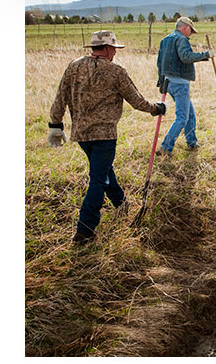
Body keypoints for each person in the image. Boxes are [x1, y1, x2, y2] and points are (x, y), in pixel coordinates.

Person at [48, 30, 166, 244]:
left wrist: (55, 124)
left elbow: (60, 97)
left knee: (102, 169)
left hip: (81, 134)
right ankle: (85, 229)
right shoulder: (116, 72)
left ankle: (121, 203)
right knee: (98, 179)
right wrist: (156, 108)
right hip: (104, 135)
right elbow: (136, 100)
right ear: (108, 49)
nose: (115, 53)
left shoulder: (73, 67)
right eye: (114, 49)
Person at [156, 16, 215, 155]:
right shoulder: (181, 39)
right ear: (185, 27)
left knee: (190, 114)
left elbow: (159, 62)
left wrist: (161, 81)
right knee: (182, 117)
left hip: (169, 82)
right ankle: (165, 147)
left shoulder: (165, 40)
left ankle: (192, 143)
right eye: (191, 30)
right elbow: (186, 57)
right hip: (180, 83)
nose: (191, 34)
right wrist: (206, 54)